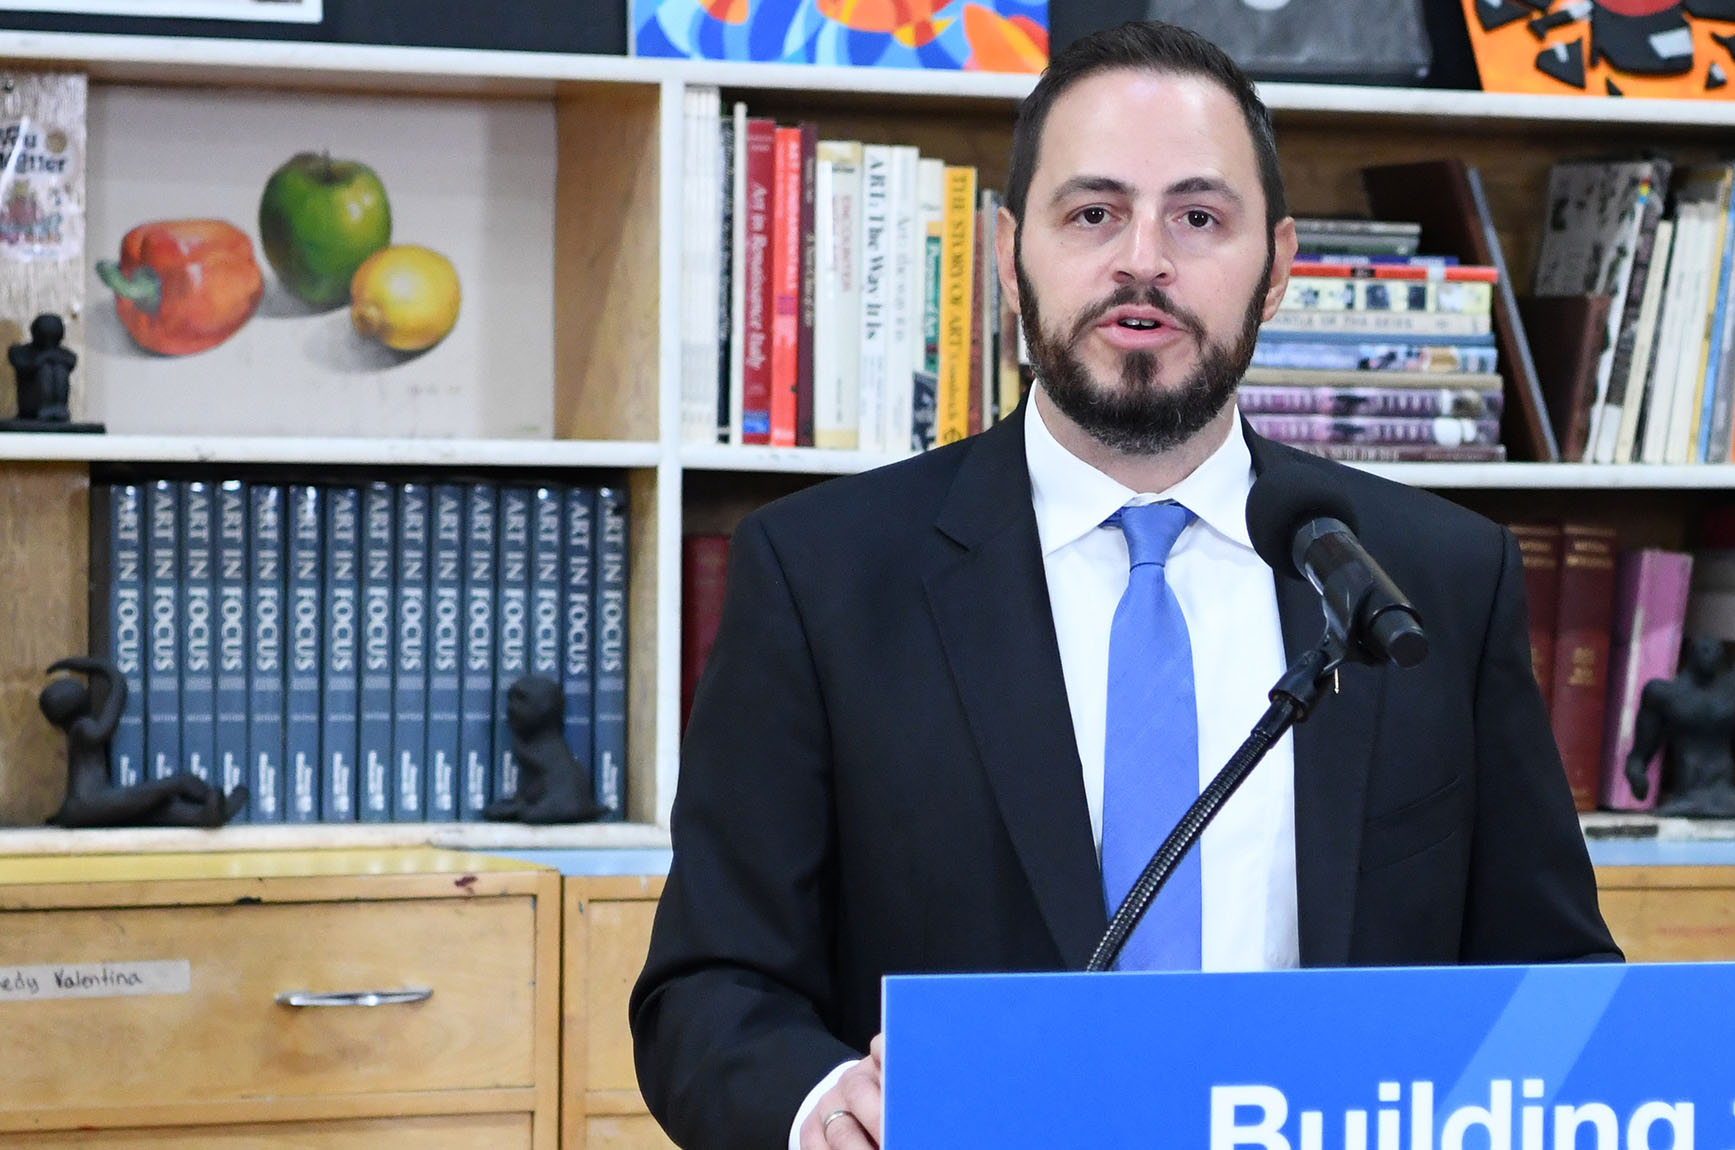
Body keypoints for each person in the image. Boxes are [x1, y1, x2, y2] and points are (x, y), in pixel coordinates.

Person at [630, 21, 1620, 1150]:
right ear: (1009, 253)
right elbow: (708, 989)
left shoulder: (1432, 576)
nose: (1143, 258)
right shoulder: (821, 575)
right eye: (1093, 212)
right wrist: (819, 1106)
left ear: (1281, 263)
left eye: (1198, 217)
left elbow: (1557, 983)